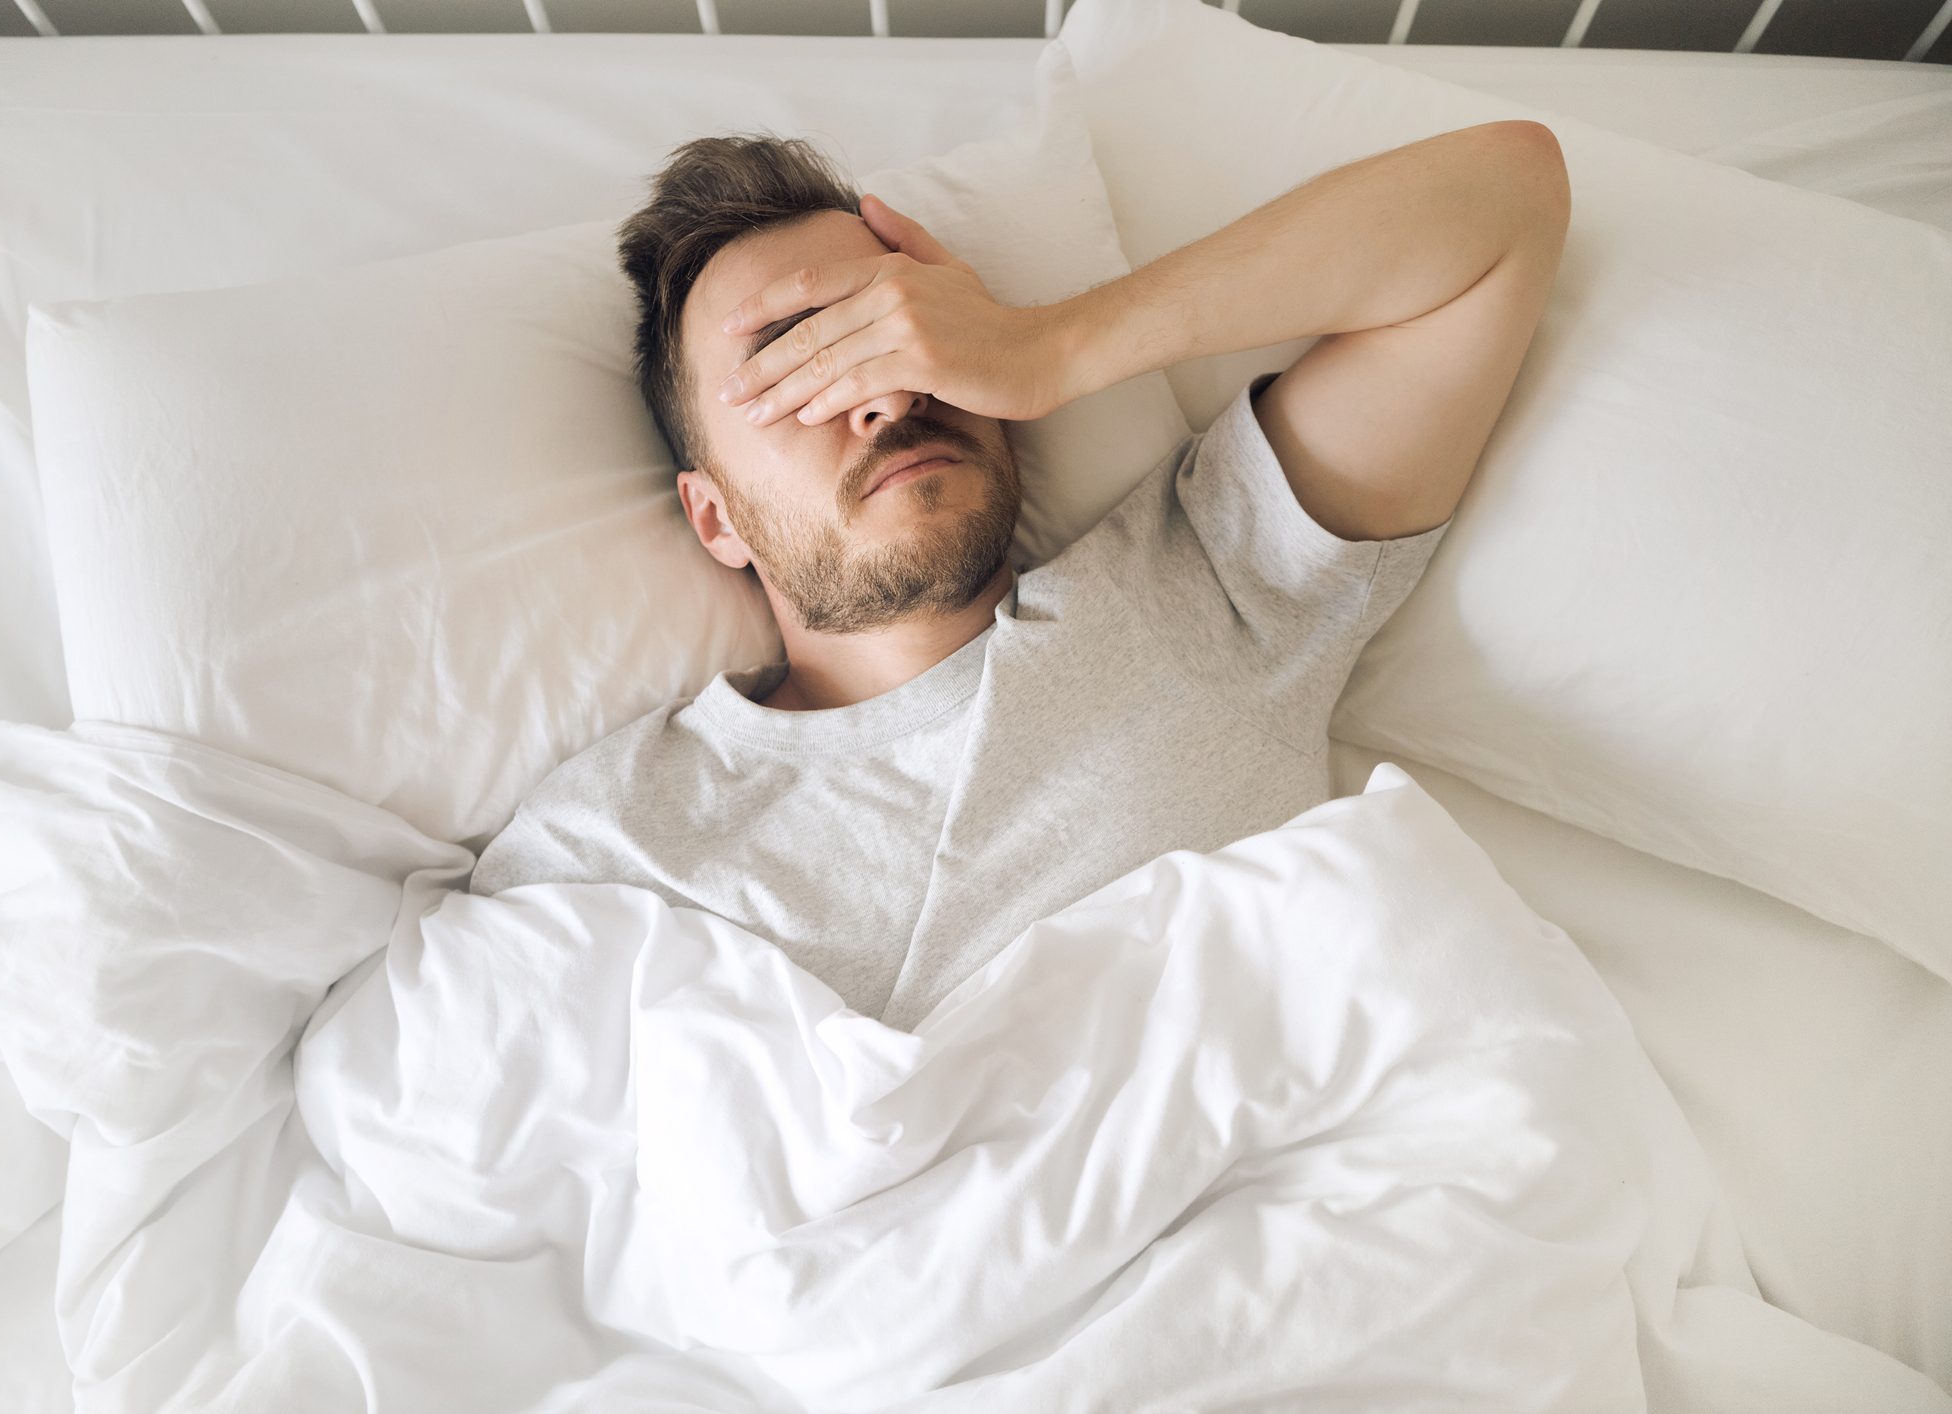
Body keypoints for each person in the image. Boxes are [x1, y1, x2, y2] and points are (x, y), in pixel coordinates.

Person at [470, 121, 1571, 1033]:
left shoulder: (1211, 588)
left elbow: (1503, 199)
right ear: (715, 519)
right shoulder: (609, 841)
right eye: (794, 364)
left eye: (894, 327)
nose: (882, 390)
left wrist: (1049, 345)